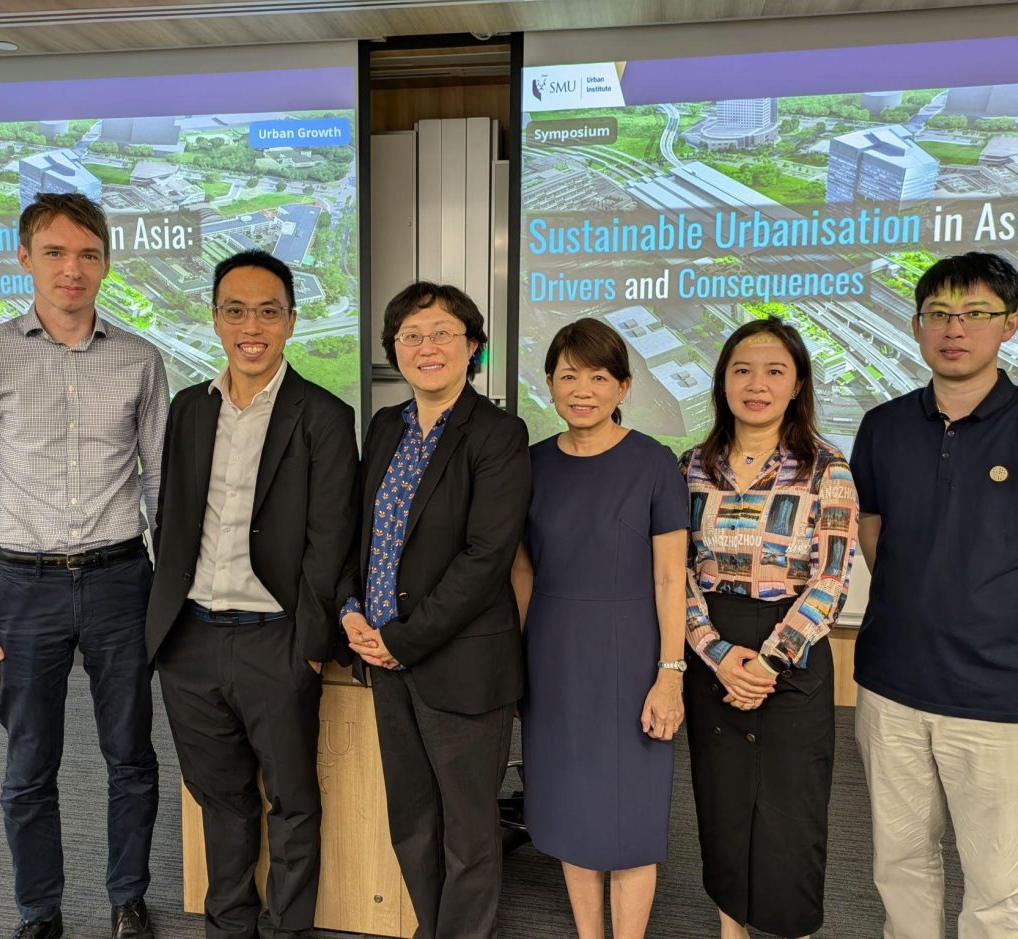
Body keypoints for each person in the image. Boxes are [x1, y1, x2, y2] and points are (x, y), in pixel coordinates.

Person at [850, 252, 1018, 939]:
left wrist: (1008, 622)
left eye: (976, 314)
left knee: (994, 883)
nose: (954, 329)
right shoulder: (883, 426)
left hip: (997, 699)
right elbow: (873, 531)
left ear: (1010, 325)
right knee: (898, 864)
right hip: (890, 687)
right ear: (917, 325)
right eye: (939, 315)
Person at [0, 193, 167, 939]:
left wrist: (172, 595)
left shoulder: (139, 358)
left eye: (88, 254)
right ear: (25, 257)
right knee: (29, 763)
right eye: (56, 253)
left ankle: (127, 897)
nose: (74, 269)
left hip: (119, 581)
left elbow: (162, 482)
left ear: (106, 262)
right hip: (23, 587)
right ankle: (40, 909)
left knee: (130, 753)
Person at [144, 250, 357, 939]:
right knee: (220, 798)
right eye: (235, 309)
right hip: (192, 641)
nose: (251, 325)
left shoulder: (324, 415)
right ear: (215, 320)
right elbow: (171, 519)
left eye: (268, 310)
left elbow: (330, 543)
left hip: (276, 640)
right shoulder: (188, 408)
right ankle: (229, 925)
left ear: (292, 321)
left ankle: (287, 929)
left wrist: (307, 649)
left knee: (293, 802)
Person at [339, 282, 531, 939]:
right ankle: (434, 927)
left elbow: (484, 558)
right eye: (413, 334)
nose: (428, 346)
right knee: (413, 819)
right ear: (395, 348)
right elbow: (362, 535)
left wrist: (405, 639)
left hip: (459, 661)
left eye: (444, 332)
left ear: (473, 346)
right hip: (384, 656)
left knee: (469, 829)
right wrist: (351, 612)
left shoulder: (499, 433)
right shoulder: (385, 425)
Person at [678, 316, 859, 939]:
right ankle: (730, 929)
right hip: (712, 649)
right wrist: (716, 651)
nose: (757, 384)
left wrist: (770, 659)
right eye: (742, 370)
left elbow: (833, 578)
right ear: (723, 380)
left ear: (797, 384)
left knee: (791, 812)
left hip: (794, 651)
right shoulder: (692, 467)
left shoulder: (826, 468)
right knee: (722, 804)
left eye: (774, 371)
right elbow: (675, 574)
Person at [511, 318, 688, 939]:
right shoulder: (530, 465)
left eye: (599, 377)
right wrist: (524, 662)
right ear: (551, 386)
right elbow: (523, 569)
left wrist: (670, 675)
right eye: (568, 376)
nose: (582, 389)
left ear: (623, 387)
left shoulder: (655, 463)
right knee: (568, 807)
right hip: (555, 656)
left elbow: (671, 579)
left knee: (630, 815)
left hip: (633, 655)